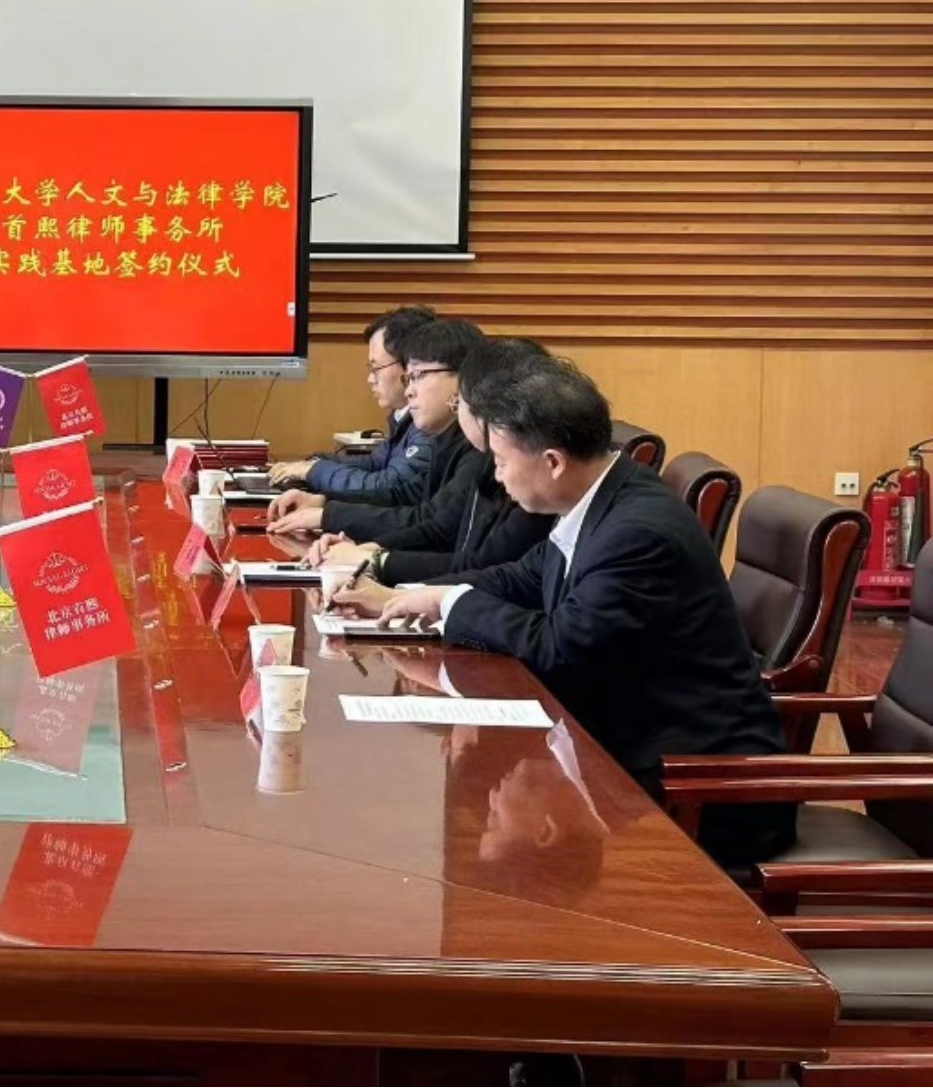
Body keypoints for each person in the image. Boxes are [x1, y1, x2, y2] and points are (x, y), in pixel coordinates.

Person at [364, 354, 793, 869]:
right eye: (496, 818)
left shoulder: (636, 533)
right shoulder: (604, 501)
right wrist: (409, 595)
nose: (497, 476)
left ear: (552, 461)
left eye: (500, 461)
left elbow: (558, 648)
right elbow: (521, 577)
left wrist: (454, 604)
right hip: (629, 751)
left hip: (698, 790)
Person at [305, 337, 555, 589]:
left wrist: (378, 560)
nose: (409, 391)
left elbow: (486, 567)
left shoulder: (529, 474)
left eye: (418, 376)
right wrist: (370, 550)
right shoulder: (481, 456)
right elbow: (440, 526)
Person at [267, 318, 485, 539]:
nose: (409, 391)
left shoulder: (478, 452)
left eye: (419, 376)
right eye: (409, 379)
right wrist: (323, 502)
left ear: (464, 377)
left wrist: (374, 555)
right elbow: (403, 496)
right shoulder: (446, 440)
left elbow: (433, 526)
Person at [267, 304, 438, 507]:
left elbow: (388, 487)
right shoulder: (403, 417)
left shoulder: (430, 424)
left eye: (376, 368)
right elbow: (375, 464)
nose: (370, 379)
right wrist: (314, 462)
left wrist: (314, 470)